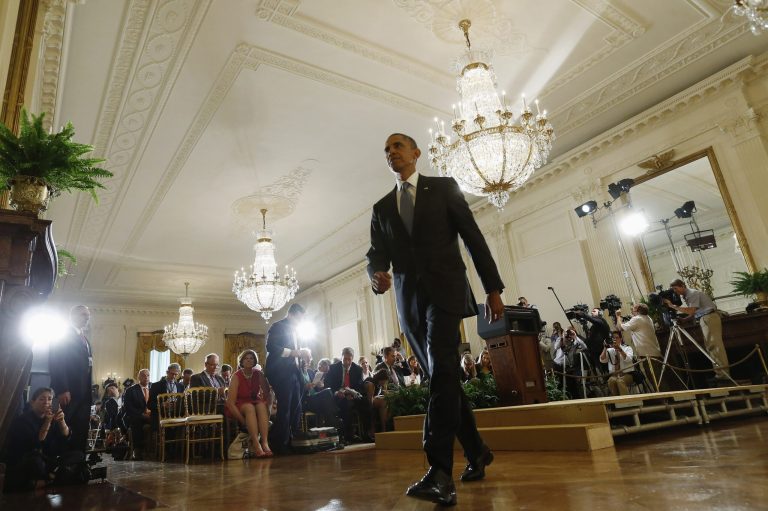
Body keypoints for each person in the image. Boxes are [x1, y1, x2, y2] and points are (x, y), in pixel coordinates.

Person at [366, 133, 505, 505]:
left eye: (397, 146)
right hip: (408, 302)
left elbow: (474, 238)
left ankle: (439, 470)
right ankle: (477, 452)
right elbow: (376, 255)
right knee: (442, 376)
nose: (391, 152)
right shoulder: (381, 208)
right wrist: (376, 275)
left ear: (415, 153)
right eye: (386, 150)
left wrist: (493, 288)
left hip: (446, 293)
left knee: (443, 369)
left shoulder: (443, 188)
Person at [3, 388, 71, 492]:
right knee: (36, 461)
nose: (47, 402)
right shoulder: (22, 421)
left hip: (48, 460)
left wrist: (62, 421)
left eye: (50, 399)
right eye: (42, 399)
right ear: (32, 402)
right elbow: (37, 443)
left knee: (77, 456)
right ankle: (51, 479)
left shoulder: (53, 417)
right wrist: (47, 421)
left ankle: (47, 480)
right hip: (25, 461)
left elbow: (66, 436)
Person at [666, 279, 730, 383]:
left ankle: (723, 375)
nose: (675, 291)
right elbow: (694, 312)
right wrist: (684, 320)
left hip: (708, 318)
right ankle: (720, 374)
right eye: (673, 289)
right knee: (711, 347)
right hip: (705, 318)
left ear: (682, 285)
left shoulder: (691, 293)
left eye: (675, 288)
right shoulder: (688, 295)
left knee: (715, 346)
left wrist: (672, 306)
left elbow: (691, 310)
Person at [48, 305, 93, 453]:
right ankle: (59, 463)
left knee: (80, 428)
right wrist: (62, 389)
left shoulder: (84, 338)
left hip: (83, 394)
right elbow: (56, 361)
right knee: (63, 426)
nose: (87, 317)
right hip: (68, 392)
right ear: (72, 315)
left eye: (88, 315)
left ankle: (76, 463)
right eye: (83, 314)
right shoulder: (62, 334)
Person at [264, 303, 306, 455]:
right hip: (280, 372)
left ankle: (293, 441)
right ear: (291, 315)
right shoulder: (278, 326)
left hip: (293, 372)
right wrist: (293, 353)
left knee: (297, 407)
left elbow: (296, 353)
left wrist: (302, 360)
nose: (300, 322)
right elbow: (271, 347)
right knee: (285, 408)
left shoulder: (296, 331)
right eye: (299, 319)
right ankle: (279, 444)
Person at [225, 350, 272, 458]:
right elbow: (230, 402)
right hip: (238, 404)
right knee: (250, 407)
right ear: (241, 361)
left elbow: (268, 394)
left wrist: (268, 409)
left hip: (254, 401)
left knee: (260, 406)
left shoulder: (258, 374)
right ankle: (256, 444)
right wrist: (243, 420)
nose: (249, 360)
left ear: (255, 361)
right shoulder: (236, 376)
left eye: (251, 358)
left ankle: (264, 442)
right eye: (246, 358)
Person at [326, 346, 373, 443]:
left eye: (349, 359)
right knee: (346, 404)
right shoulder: (333, 368)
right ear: (341, 357)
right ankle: (348, 436)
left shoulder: (357, 369)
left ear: (352, 359)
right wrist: (337, 392)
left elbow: (359, 386)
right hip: (339, 396)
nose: (347, 362)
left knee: (366, 403)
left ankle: (367, 433)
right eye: (345, 359)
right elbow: (328, 385)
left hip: (353, 395)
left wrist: (353, 393)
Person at [616, 303, 662, 389]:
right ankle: (666, 398)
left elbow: (620, 327)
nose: (632, 311)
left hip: (647, 354)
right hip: (653, 352)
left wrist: (618, 316)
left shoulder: (637, 319)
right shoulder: (647, 318)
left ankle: (663, 399)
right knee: (658, 378)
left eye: (633, 309)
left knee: (655, 379)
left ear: (637, 311)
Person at [123, 369, 152, 459]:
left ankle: (158, 448)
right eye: (143, 375)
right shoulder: (131, 390)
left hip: (151, 415)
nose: (146, 377)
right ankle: (138, 449)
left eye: (148, 375)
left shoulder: (153, 388)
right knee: (137, 421)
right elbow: (128, 407)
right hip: (137, 416)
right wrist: (142, 415)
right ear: (138, 377)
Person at [553, 328, 588, 399]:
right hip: (558, 366)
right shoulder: (560, 340)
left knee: (573, 385)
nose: (568, 336)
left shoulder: (574, 342)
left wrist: (575, 336)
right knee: (560, 384)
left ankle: (577, 400)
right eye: (567, 333)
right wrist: (562, 337)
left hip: (568, 366)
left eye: (569, 334)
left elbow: (584, 347)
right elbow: (556, 347)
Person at [148, 363, 184, 432]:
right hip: (160, 417)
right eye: (172, 374)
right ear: (167, 372)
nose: (173, 376)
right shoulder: (156, 385)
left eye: (176, 374)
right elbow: (149, 404)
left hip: (176, 416)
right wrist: (162, 405)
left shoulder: (180, 386)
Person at [599, 331, 635, 396]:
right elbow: (602, 360)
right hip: (614, 375)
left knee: (620, 381)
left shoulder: (627, 348)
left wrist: (620, 349)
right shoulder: (609, 350)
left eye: (617, 337)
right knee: (611, 381)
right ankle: (617, 403)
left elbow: (628, 359)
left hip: (627, 374)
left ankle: (627, 402)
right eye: (613, 338)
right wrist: (605, 347)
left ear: (621, 339)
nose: (615, 339)